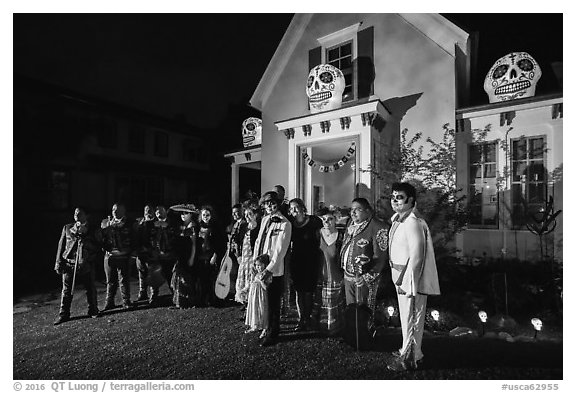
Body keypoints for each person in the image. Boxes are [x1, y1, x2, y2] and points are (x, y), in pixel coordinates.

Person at [386, 182, 440, 372]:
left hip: (408, 280)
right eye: (393, 197)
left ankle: (410, 358)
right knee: (406, 318)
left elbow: (417, 256)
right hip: (399, 277)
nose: (394, 201)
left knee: (411, 318)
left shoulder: (412, 223)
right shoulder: (400, 220)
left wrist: (409, 282)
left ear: (411, 200)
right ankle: (409, 350)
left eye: (399, 197)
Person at [253, 191, 292, 346]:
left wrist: (268, 270)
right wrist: (255, 263)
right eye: (266, 204)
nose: (269, 206)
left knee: (273, 303)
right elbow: (258, 242)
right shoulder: (264, 220)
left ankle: (273, 332)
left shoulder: (285, 223)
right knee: (263, 301)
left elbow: (280, 250)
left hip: (273, 271)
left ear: (278, 204)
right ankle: (265, 327)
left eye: (272, 203)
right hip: (260, 267)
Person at [54, 207, 100, 325]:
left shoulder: (92, 229)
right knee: (66, 290)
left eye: (79, 213)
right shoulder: (68, 228)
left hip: (85, 263)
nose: (76, 215)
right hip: (69, 263)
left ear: (86, 215)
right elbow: (61, 245)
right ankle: (64, 314)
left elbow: (98, 247)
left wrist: (88, 250)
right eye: (75, 213)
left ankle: (93, 310)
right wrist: (58, 262)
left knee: (90, 288)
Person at [340, 198, 388, 310]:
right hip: (348, 275)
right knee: (351, 310)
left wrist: (367, 276)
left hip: (364, 277)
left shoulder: (378, 227)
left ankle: (366, 328)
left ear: (367, 211)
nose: (353, 213)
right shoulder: (350, 223)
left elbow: (380, 257)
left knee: (364, 311)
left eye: (358, 209)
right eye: (352, 209)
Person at [288, 198, 323, 332]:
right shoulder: (291, 224)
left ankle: (308, 318)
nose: (294, 210)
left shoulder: (314, 221)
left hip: (311, 261)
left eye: (296, 207)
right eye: (291, 209)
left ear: (303, 207)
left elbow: (322, 239)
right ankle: (301, 318)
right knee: (298, 291)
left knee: (308, 292)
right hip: (297, 260)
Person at [311, 206, 345, 335]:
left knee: (332, 301)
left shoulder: (341, 236)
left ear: (335, 220)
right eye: (324, 219)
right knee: (320, 300)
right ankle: (320, 326)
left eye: (330, 219)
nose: (326, 222)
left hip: (335, 275)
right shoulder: (317, 234)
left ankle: (334, 327)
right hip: (320, 275)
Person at [99, 203, 134, 310]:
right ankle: (109, 302)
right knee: (110, 280)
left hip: (123, 255)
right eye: (113, 209)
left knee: (123, 279)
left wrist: (132, 253)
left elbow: (133, 239)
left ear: (123, 211)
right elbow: (101, 238)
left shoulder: (129, 223)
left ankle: (126, 300)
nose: (115, 211)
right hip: (109, 256)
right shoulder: (105, 223)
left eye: (118, 210)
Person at [170, 204, 199, 309]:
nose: (183, 215)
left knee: (186, 279)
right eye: (182, 213)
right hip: (180, 254)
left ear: (191, 214)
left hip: (188, 254)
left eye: (186, 213)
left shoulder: (193, 227)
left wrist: (192, 258)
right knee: (178, 278)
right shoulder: (181, 226)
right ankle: (180, 302)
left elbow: (194, 244)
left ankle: (189, 301)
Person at [147, 205, 178, 305]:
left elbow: (175, 237)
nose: (158, 213)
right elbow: (147, 238)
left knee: (170, 276)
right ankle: (153, 297)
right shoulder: (151, 224)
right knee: (154, 276)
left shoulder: (172, 224)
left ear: (165, 212)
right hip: (156, 254)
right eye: (156, 212)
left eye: (161, 211)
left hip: (168, 255)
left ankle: (175, 295)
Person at [196, 205, 225, 306]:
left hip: (211, 255)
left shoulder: (215, 227)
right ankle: (203, 299)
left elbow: (219, 243)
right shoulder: (198, 226)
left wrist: (215, 255)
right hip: (201, 255)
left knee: (212, 278)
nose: (205, 217)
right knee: (202, 278)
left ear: (211, 216)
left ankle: (214, 299)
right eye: (203, 215)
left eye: (207, 215)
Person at [235, 201, 262, 306]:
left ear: (255, 215)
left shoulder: (258, 228)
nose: (247, 217)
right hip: (244, 260)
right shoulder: (244, 227)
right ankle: (245, 306)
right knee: (243, 284)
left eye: (249, 214)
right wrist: (239, 255)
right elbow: (238, 242)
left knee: (251, 284)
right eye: (245, 214)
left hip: (253, 260)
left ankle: (251, 309)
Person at [244, 255, 272, 337]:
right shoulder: (257, 274)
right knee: (254, 309)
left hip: (261, 296)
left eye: (260, 265)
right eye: (256, 265)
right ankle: (255, 325)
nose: (258, 267)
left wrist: (261, 281)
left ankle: (264, 328)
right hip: (254, 296)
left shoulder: (267, 274)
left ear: (265, 264)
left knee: (262, 310)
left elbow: (266, 287)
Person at [134, 204, 156, 302]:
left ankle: (153, 294)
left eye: (149, 210)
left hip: (151, 252)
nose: (147, 212)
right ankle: (142, 292)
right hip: (141, 252)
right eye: (146, 209)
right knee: (142, 273)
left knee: (152, 273)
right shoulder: (139, 222)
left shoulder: (156, 223)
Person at [226, 203, 247, 298]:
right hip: (233, 252)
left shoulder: (243, 224)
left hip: (240, 252)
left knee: (241, 275)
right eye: (233, 213)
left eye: (237, 212)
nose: (235, 214)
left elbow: (240, 241)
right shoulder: (235, 224)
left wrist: (239, 255)